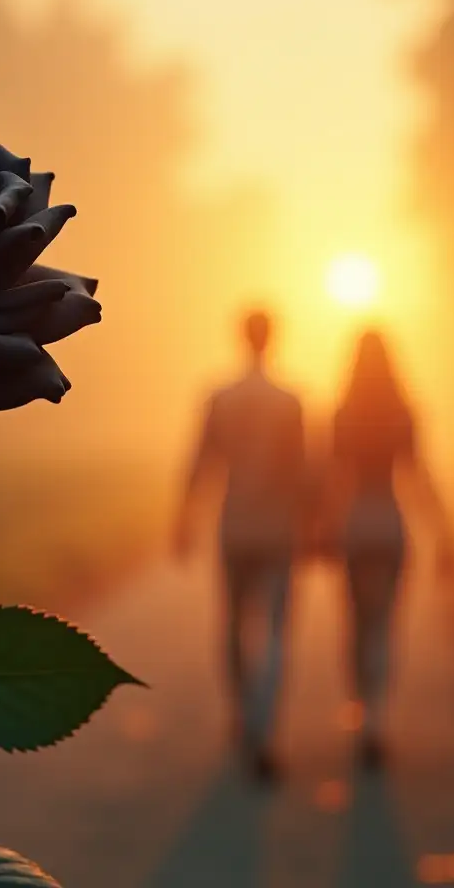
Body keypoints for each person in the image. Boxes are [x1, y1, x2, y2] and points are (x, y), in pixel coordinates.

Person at [174, 309, 305, 784]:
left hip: (234, 525)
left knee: (232, 622)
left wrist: (184, 519)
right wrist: (313, 523)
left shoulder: (221, 397)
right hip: (278, 528)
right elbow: (303, 470)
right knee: (273, 631)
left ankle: (239, 713)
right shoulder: (290, 401)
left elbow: (201, 460)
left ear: (241, 337)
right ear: (273, 338)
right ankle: (263, 728)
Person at [323, 328, 454, 768]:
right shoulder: (404, 413)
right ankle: (376, 721)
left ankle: (360, 710)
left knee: (356, 623)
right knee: (384, 625)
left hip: (354, 525)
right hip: (390, 524)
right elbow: (420, 478)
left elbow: (332, 479)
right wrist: (445, 533)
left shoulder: (343, 414)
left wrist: (323, 527)